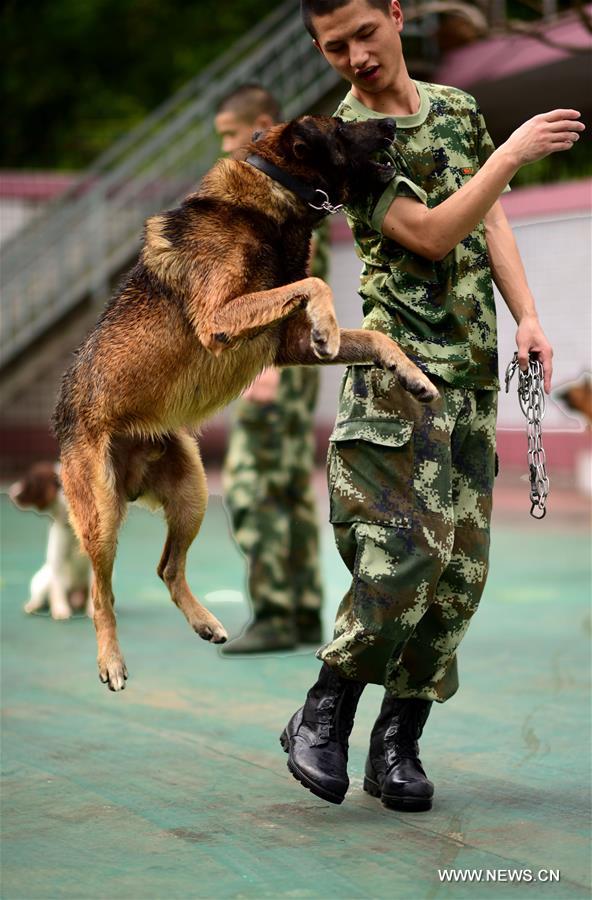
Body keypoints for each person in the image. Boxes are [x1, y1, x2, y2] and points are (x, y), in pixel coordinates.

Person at [280, 0, 584, 810]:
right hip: (398, 377)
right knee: (406, 553)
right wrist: (513, 153)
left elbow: (491, 220)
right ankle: (324, 708)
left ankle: (398, 741)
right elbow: (434, 232)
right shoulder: (341, 143)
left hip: (474, 378)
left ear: (395, 13)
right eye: (333, 46)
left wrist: (526, 315)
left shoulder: (455, 109)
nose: (354, 55)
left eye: (364, 33)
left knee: (459, 577)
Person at [214, 84, 330, 653]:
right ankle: (303, 611)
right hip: (288, 360)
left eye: (231, 136)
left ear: (261, 125)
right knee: (287, 490)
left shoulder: (278, 186)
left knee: (251, 486)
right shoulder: (302, 182)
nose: (229, 148)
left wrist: (269, 367)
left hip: (276, 362)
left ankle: (275, 613)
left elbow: (295, 277)